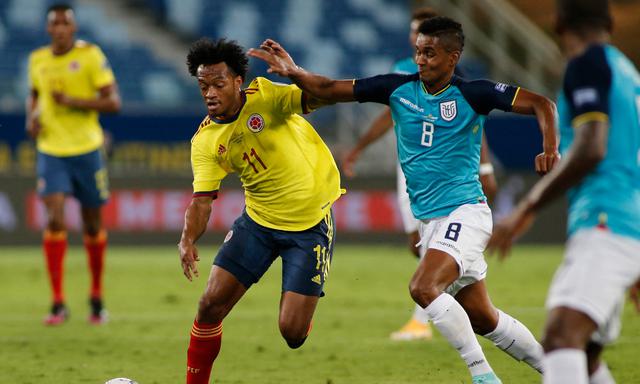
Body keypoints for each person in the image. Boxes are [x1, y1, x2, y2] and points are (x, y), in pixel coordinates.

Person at [249, 16, 560, 383]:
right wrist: (295, 71)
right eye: (418, 52)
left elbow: (543, 103)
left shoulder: (475, 93)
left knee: (423, 287)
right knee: (483, 319)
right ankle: (560, 372)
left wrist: (550, 147)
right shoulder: (396, 88)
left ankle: (483, 376)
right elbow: (330, 88)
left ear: (452, 57)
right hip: (430, 222)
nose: (421, 60)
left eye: (430, 53)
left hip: (466, 212)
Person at [487, 1, 640, 383]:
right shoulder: (625, 70)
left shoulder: (586, 63)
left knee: (560, 338)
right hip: (627, 219)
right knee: (586, 355)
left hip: (606, 218)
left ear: (558, 22)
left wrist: (527, 206)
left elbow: (591, 147)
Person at [178, 38, 343, 384]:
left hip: (309, 224)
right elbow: (202, 200)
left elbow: (322, 94)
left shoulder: (266, 96)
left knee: (292, 333)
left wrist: (295, 72)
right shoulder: (205, 141)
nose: (209, 93)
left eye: (218, 84)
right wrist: (188, 238)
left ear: (238, 81)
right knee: (209, 305)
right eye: (203, 86)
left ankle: (304, 308)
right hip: (258, 224)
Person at [341, 6, 498, 342]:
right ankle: (449, 291)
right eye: (413, 33)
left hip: (447, 175)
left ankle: (423, 318)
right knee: (418, 244)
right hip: (411, 173)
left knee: (432, 254)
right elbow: (388, 115)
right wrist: (360, 147)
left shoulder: (454, 77)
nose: (416, 38)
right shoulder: (404, 72)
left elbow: (471, 120)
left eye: (422, 33)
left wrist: (484, 166)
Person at [26, 3, 121, 325]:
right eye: (56, 23)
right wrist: (32, 119)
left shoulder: (91, 56)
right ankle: (57, 303)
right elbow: (35, 95)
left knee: (92, 224)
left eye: (67, 22)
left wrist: (74, 102)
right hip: (51, 150)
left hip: (86, 149)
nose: (61, 28)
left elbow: (113, 102)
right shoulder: (37, 59)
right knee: (54, 219)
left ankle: (96, 297)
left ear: (74, 28)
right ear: (49, 28)